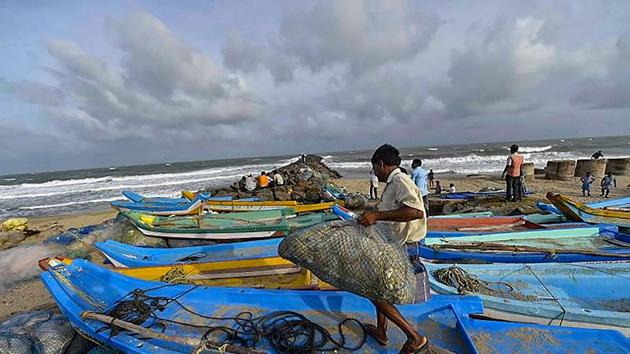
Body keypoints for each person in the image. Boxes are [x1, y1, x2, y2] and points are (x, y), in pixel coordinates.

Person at [358, 144, 428, 354]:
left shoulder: (399, 180)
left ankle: (414, 337)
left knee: (375, 291)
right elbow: (395, 210)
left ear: (381, 164)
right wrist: (373, 213)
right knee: (379, 285)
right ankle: (381, 332)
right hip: (395, 245)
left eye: (374, 168)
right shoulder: (393, 183)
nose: (375, 173)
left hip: (405, 246)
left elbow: (415, 211)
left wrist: (377, 216)